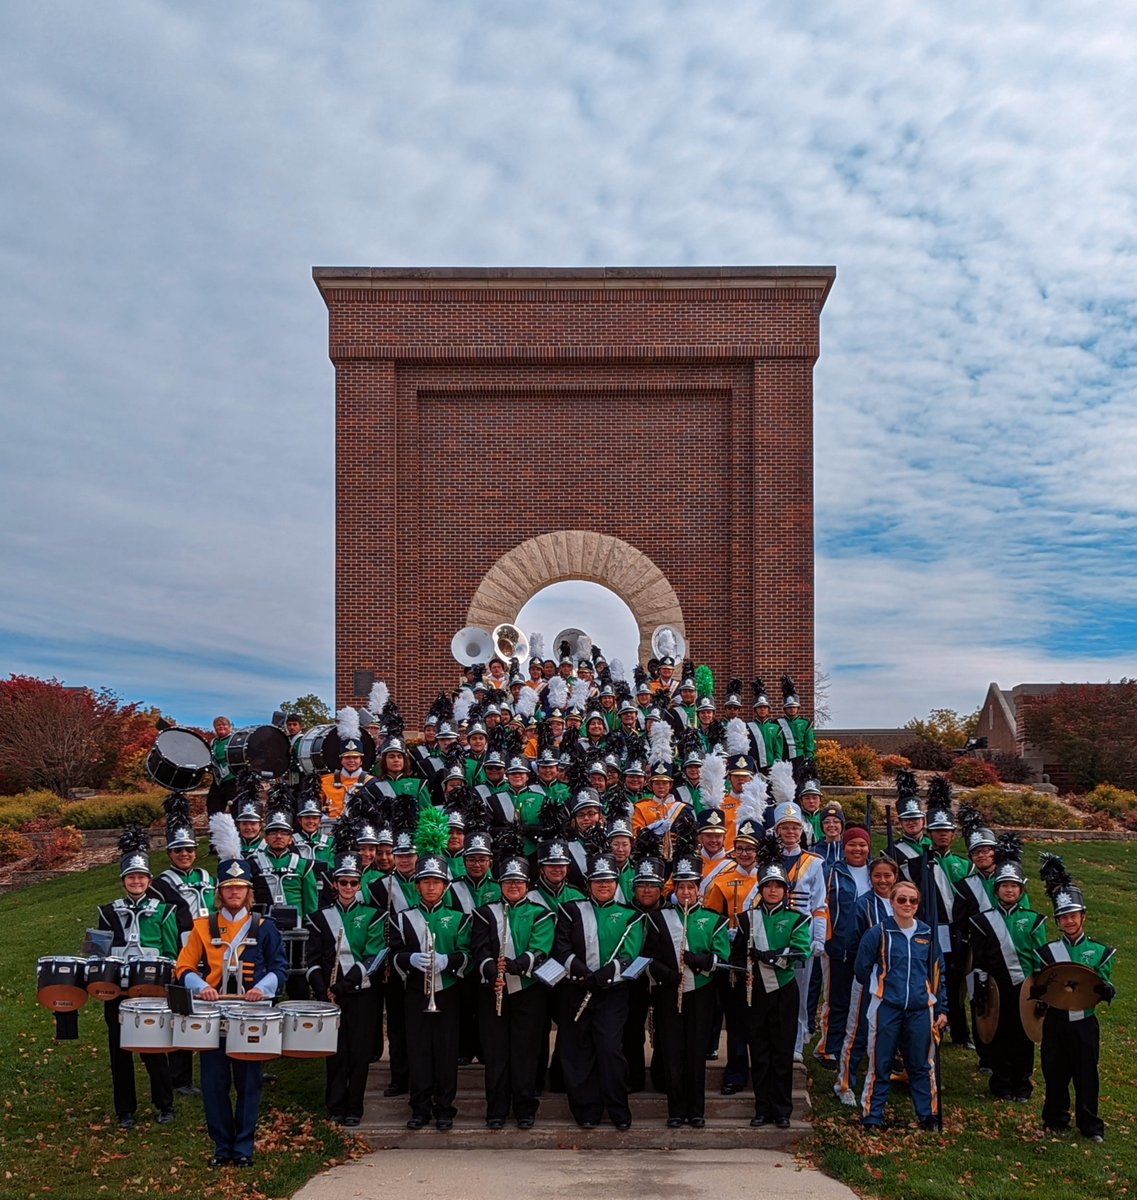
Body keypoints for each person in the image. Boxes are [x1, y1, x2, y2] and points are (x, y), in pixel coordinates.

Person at [175, 814, 288, 1168]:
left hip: (251, 1015)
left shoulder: (265, 927)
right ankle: (221, 1147)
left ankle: (243, 1148)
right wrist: (201, 989)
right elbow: (183, 968)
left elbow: (279, 968)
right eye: (228, 888)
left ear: (248, 892)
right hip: (214, 1015)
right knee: (213, 1084)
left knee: (250, 1084)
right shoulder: (202, 926)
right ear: (220, 891)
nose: (234, 893)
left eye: (240, 888)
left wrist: (263, 989)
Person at [552, 853, 646, 1129]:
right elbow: (562, 948)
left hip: (612, 993)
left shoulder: (631, 915)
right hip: (577, 988)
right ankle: (586, 1110)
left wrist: (607, 974)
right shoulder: (571, 910)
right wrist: (582, 972)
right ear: (588, 883)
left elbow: (631, 954)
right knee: (579, 1050)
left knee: (609, 1049)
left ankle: (618, 1109)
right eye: (597, 880)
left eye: (608, 880)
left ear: (617, 882)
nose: (603, 885)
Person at [388, 826, 472, 1132]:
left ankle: (445, 1108)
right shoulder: (402, 918)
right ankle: (420, 1107)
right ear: (417, 886)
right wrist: (409, 960)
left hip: (447, 991)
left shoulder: (459, 918)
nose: (431, 887)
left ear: (446, 886)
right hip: (415, 991)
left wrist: (447, 961)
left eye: (436, 882)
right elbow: (393, 955)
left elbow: (467, 955)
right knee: (419, 1051)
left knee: (446, 1052)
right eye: (425, 882)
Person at [97, 831, 181, 1128]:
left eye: (142, 877)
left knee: (153, 1048)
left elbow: (172, 951)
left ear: (149, 880)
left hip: (150, 990)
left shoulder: (164, 911)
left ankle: (165, 1104)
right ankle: (125, 1110)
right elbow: (98, 953)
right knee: (119, 1050)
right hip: (118, 991)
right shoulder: (108, 913)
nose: (136, 882)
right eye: (131, 877)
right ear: (123, 880)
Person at [854, 879, 948, 1132]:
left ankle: (928, 1115)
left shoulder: (927, 934)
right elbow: (861, 968)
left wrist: (942, 1009)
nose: (907, 904)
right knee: (880, 1063)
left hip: (920, 1009)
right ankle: (873, 1116)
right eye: (902, 899)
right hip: (887, 1008)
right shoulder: (878, 933)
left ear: (918, 904)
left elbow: (939, 973)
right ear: (892, 902)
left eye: (912, 900)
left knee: (920, 1064)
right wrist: (882, 988)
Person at [1034, 854, 1115, 1142]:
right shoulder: (1046, 952)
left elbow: (1103, 980)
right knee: (1054, 1070)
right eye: (1063, 917)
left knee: (1086, 1074)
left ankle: (1090, 1125)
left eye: (1073, 915)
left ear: (1083, 916)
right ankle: (1055, 1119)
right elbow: (1039, 982)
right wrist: (1038, 993)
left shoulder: (1100, 951)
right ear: (1057, 920)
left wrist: (1107, 989)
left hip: (1084, 1022)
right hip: (1055, 1020)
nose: (1069, 921)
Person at [471, 855, 556, 1128]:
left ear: (527, 884)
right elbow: (479, 950)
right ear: (500, 884)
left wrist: (514, 966)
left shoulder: (540, 913)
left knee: (525, 1053)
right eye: (508, 881)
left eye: (518, 881)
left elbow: (540, 949)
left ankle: (524, 1109)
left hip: (527, 991)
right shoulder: (485, 913)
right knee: (496, 1053)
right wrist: (492, 971)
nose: (513, 886)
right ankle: (496, 1109)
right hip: (493, 990)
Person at [646, 855, 730, 1127]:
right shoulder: (659, 918)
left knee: (696, 1052)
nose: (685, 892)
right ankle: (675, 1110)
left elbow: (722, 956)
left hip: (701, 993)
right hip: (669, 992)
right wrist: (670, 976)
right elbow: (649, 958)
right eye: (681, 887)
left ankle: (696, 1110)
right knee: (672, 1052)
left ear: (698, 891)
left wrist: (699, 961)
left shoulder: (713, 919)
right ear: (674, 890)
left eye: (691, 887)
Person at [304, 847, 386, 1127]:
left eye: (353, 882)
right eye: (343, 882)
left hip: (361, 992)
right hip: (330, 996)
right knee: (335, 1053)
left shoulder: (374, 915)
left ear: (359, 884)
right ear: (334, 884)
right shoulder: (318, 917)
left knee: (359, 1053)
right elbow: (312, 962)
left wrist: (341, 986)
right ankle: (335, 1105)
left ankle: (355, 1106)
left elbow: (373, 956)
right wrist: (322, 990)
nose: (348, 887)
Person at [730, 847, 811, 1128]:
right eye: (768, 886)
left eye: (778, 886)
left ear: (785, 890)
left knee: (782, 1050)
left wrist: (773, 955)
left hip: (784, 990)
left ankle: (782, 1110)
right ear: (761, 889)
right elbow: (737, 956)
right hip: (756, 991)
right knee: (760, 1051)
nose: (773, 891)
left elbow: (801, 951)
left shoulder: (798, 919)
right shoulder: (746, 919)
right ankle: (762, 1107)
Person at [968, 848, 1046, 1102]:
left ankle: (1022, 1085)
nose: (1009, 890)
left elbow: (1040, 958)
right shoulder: (982, 920)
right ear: (996, 889)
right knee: (999, 1034)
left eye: (1014, 886)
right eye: (1004, 886)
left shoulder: (1034, 921)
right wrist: (977, 988)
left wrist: (1041, 988)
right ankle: (1000, 1083)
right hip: (995, 986)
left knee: (1024, 1036)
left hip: (1025, 986)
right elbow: (978, 959)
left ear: (1021, 891)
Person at [150, 795, 214, 1096]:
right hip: (183, 949)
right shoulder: (161, 883)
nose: (185, 854)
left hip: (214, 949)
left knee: (215, 1006)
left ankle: (220, 1063)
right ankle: (181, 1077)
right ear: (170, 853)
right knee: (182, 1010)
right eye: (179, 850)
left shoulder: (206, 876)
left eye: (189, 849)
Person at [834, 854, 898, 1105]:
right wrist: (865, 969)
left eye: (888, 875)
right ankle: (845, 1083)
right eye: (877, 875)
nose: (883, 880)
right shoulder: (863, 904)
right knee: (857, 1030)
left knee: (890, 1030)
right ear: (870, 878)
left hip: (897, 978)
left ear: (895, 877)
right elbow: (852, 940)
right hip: (868, 977)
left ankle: (885, 1078)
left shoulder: (902, 901)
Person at [814, 824, 872, 1068]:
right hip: (839, 946)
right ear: (843, 846)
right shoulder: (831, 872)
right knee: (838, 1000)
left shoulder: (875, 872)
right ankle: (830, 1047)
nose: (857, 849)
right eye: (852, 844)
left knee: (867, 1001)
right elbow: (821, 905)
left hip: (869, 948)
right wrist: (826, 938)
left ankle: (862, 1045)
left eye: (862, 844)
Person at [206, 716, 238, 819]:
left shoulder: (235, 739)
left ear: (229, 727)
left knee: (236, 811)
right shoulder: (213, 742)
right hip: (218, 781)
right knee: (213, 808)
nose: (221, 727)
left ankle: (239, 834)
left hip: (233, 780)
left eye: (224, 725)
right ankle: (216, 833)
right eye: (218, 725)